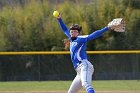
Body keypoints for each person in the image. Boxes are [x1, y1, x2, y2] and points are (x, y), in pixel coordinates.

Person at [55, 14, 113, 93]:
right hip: (78, 71)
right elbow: (65, 30)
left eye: (75, 31)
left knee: (86, 84)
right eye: (71, 31)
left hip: (84, 66)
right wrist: (59, 20)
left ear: (78, 33)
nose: (72, 32)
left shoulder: (80, 39)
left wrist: (107, 28)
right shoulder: (71, 39)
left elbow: (94, 35)